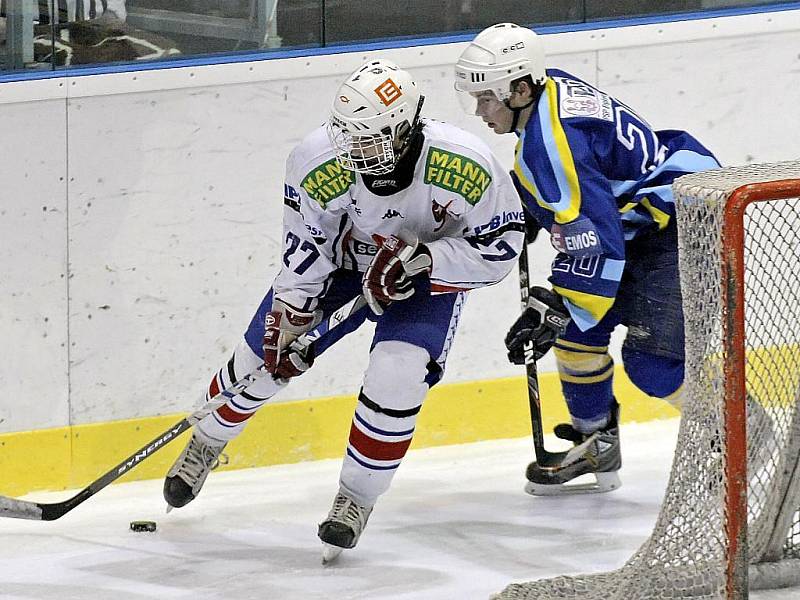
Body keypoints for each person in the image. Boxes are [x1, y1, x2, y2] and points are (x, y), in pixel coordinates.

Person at [163, 58, 525, 561]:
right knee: (260, 361)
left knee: (397, 372)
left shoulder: (464, 163)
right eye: (349, 138)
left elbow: (501, 247)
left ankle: (356, 498)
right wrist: (290, 317)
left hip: (422, 278)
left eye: (370, 140)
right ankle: (206, 440)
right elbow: (307, 248)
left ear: (405, 129)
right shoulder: (317, 160)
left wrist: (426, 258)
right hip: (341, 268)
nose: (355, 153)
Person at [454, 23, 721, 495]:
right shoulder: (548, 83)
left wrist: (555, 304)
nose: (479, 111)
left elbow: (596, 239)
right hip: (644, 221)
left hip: (678, 228)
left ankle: (747, 433)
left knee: (653, 366)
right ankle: (596, 442)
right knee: (578, 335)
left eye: (486, 99)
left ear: (519, 89)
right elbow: (590, 177)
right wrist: (533, 205)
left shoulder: (551, 143)